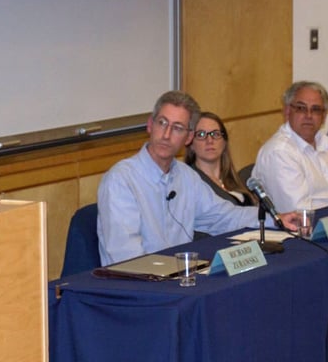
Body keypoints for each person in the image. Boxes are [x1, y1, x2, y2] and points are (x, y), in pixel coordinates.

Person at [96, 91, 297, 266]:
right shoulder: (121, 180)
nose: (166, 135)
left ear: (189, 137)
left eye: (177, 128)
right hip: (140, 288)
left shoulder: (186, 177)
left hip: (178, 278)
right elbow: (125, 257)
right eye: (162, 123)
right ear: (150, 125)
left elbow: (224, 217)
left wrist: (275, 219)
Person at [252, 81, 328, 213]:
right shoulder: (279, 152)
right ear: (287, 111)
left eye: (315, 110)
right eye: (301, 108)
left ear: (324, 116)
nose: (308, 116)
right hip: (298, 229)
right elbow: (297, 212)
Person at [185, 111, 255, 208]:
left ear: (224, 141)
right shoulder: (190, 182)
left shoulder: (235, 180)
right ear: (191, 144)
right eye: (201, 135)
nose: (209, 140)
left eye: (216, 134)